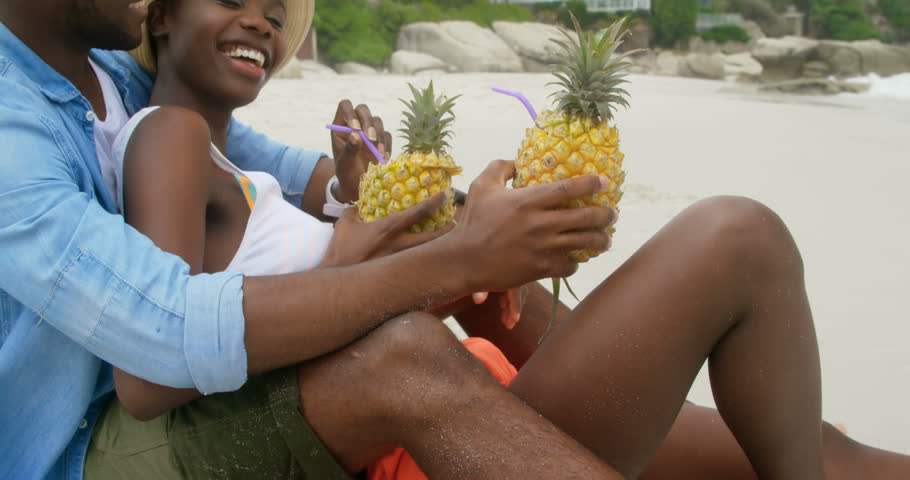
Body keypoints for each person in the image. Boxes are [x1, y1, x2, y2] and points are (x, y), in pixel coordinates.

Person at [0, 1, 907, 480]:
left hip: (421, 366)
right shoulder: (58, 123)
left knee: (784, 427)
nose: (264, 24)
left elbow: (308, 182)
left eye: (278, 11)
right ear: (164, 17)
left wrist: (381, 190)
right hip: (136, 441)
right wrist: (453, 257)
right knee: (723, 247)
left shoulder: (123, 83)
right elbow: (160, 347)